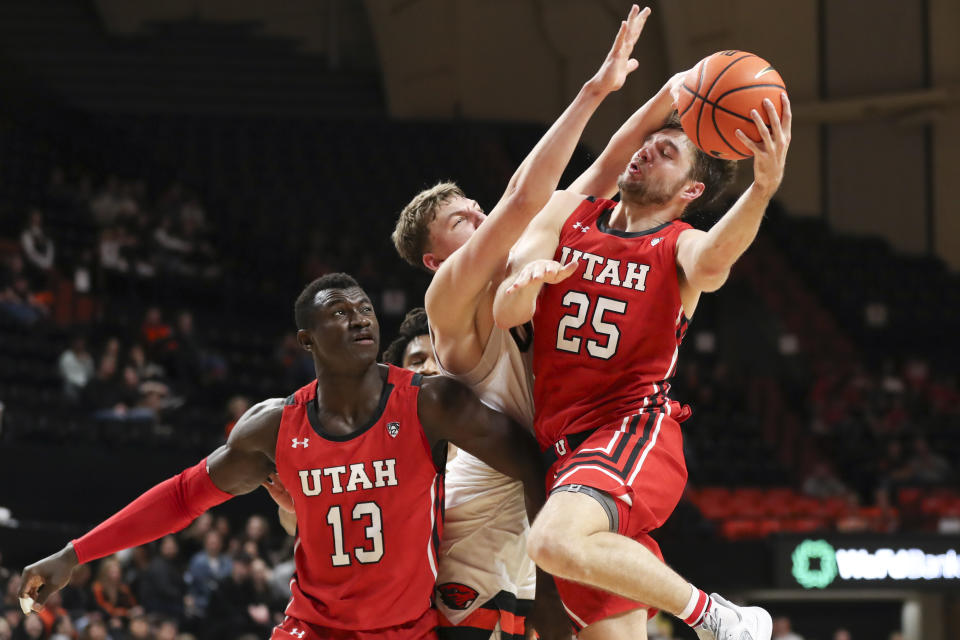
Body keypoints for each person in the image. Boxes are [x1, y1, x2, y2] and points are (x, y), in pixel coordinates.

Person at [19, 272, 555, 640]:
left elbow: (532, 461)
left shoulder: (428, 403)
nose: (360, 318)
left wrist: (552, 587)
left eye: (365, 308)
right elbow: (184, 496)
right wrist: (73, 554)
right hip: (311, 627)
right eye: (340, 312)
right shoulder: (276, 427)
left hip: (404, 629)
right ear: (307, 339)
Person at [391, 6, 689, 638]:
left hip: (551, 474)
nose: (478, 213)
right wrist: (592, 92)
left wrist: (663, 99)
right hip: (488, 499)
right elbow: (525, 196)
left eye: (473, 203)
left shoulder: (531, 260)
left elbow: (607, 168)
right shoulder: (449, 296)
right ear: (435, 257)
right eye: (460, 220)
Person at [492, 87, 792, 639]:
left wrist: (761, 189)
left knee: (552, 542)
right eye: (648, 143)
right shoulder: (568, 213)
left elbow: (715, 261)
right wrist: (525, 284)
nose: (647, 151)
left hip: (631, 431)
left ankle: (720, 619)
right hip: (564, 451)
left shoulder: (679, 244)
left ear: (692, 190)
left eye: (667, 153)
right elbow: (507, 309)